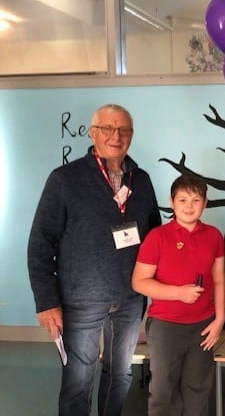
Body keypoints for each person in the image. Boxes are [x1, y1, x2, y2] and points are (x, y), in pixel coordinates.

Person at [27, 103, 161, 416]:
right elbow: (40, 243)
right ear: (92, 133)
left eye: (124, 129)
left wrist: (158, 291)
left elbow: (156, 238)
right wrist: (46, 302)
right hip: (81, 301)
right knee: (78, 382)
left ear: (131, 135)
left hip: (129, 299)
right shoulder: (64, 179)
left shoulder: (140, 180)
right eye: (108, 128)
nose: (117, 135)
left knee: (120, 376)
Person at [131, 174, 225, 416]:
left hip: (203, 326)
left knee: (198, 390)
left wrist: (219, 319)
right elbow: (139, 282)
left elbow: (219, 279)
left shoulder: (213, 235)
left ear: (205, 203)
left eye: (196, 200)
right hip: (166, 326)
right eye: (182, 200)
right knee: (163, 392)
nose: (189, 206)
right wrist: (178, 293)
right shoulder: (158, 237)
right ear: (172, 202)